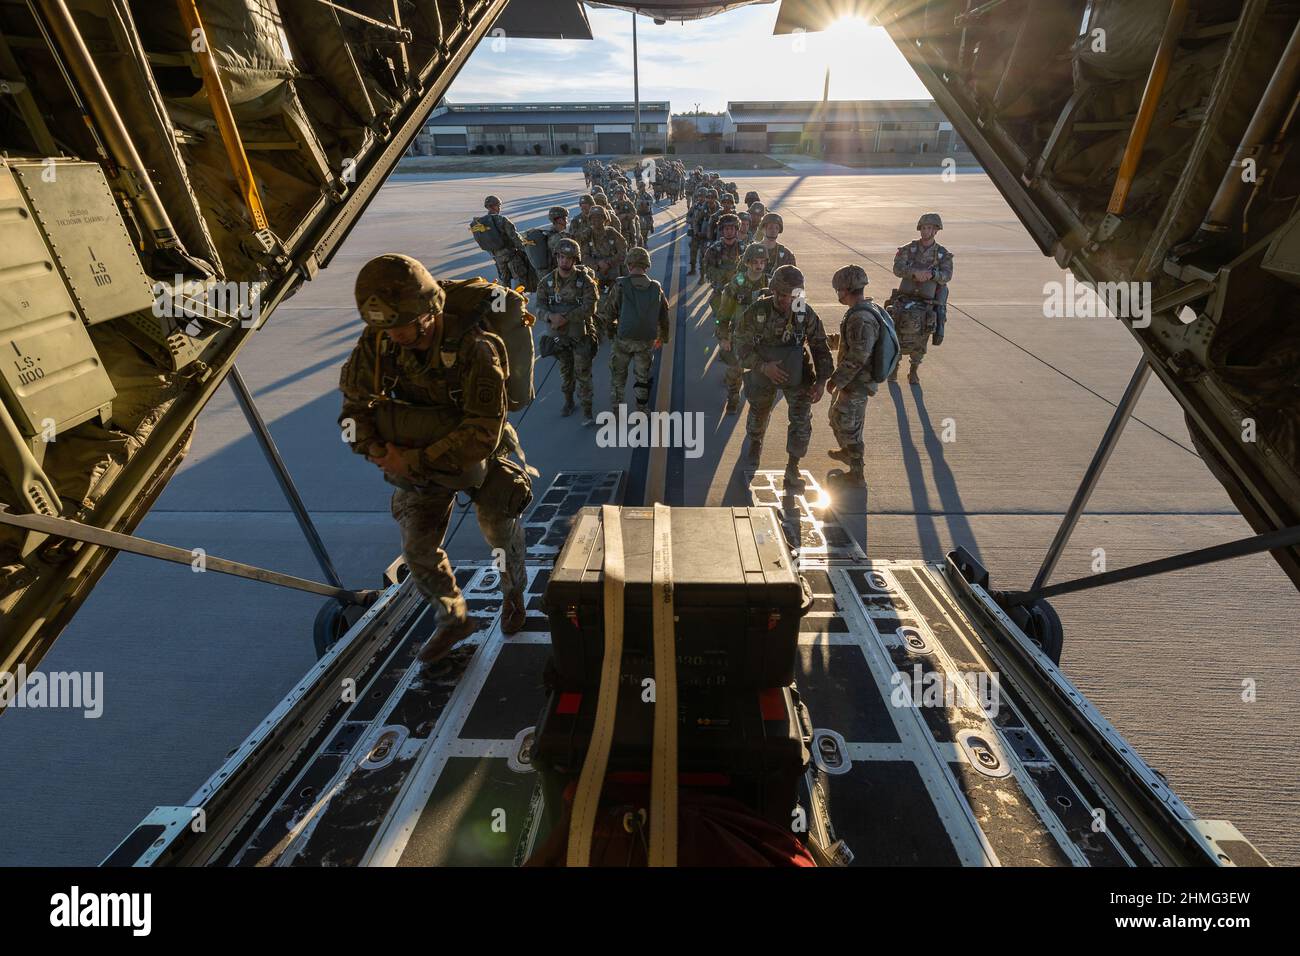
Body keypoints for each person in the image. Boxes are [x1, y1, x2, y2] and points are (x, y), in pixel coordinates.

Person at [339, 255, 531, 663]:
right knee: (417, 548)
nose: (395, 335)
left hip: (474, 451)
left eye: (403, 324)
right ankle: (453, 618)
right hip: (414, 454)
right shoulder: (380, 341)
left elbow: (483, 431)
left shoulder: (476, 349)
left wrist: (413, 462)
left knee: (499, 528)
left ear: (429, 312)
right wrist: (378, 451)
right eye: (387, 327)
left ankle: (513, 593)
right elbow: (353, 412)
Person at [734, 265, 833, 493]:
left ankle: (792, 467)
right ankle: (755, 441)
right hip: (763, 370)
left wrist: (821, 382)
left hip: (795, 371)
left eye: (792, 295)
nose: (786, 300)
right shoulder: (758, 310)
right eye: (781, 294)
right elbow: (740, 342)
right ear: (773, 290)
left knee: (801, 420)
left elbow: (820, 346)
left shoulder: (804, 312)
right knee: (759, 411)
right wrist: (762, 366)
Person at [826, 265, 883, 487]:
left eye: (839, 289)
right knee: (837, 417)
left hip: (858, 382)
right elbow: (853, 344)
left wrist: (836, 379)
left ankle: (856, 474)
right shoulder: (859, 311)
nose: (838, 293)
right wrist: (828, 341)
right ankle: (848, 453)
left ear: (847, 289)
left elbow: (858, 356)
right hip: (853, 380)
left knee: (849, 425)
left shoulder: (861, 318)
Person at [532, 237, 599, 424]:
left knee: (583, 373)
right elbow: (538, 307)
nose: (564, 261)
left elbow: (590, 307)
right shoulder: (546, 282)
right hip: (559, 337)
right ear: (556, 257)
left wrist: (565, 318)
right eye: (561, 257)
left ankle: (587, 410)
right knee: (565, 372)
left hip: (580, 336)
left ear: (575, 260)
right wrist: (550, 316)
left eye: (568, 258)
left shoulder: (585, 281)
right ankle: (568, 401)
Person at [602, 246, 670, 414]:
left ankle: (617, 409)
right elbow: (664, 314)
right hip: (646, 341)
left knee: (618, 375)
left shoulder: (620, 285)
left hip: (623, 340)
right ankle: (642, 408)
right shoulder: (656, 288)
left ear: (629, 265)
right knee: (642, 376)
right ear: (646, 266)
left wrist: (611, 333)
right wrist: (663, 337)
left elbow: (608, 313)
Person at [889, 212, 953, 385]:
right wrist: (914, 273)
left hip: (927, 302)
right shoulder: (908, 249)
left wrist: (933, 275)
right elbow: (897, 268)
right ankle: (894, 366)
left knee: (924, 334)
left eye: (929, 228)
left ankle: (914, 369)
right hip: (905, 298)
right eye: (924, 228)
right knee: (896, 331)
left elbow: (947, 275)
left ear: (936, 231)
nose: (926, 231)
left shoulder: (943, 254)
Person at [715, 243, 769, 414]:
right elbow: (724, 311)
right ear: (747, 262)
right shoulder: (737, 282)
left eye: (762, 262)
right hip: (739, 335)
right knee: (735, 370)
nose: (759, 265)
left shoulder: (769, 282)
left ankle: (758, 407)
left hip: (762, 337)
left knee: (761, 374)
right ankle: (733, 398)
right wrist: (723, 336)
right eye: (755, 262)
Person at [469, 195, 534, 292]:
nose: (499, 208)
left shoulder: (481, 223)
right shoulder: (502, 220)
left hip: (497, 257)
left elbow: (482, 241)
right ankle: (517, 299)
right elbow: (515, 237)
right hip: (511, 255)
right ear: (494, 206)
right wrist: (526, 250)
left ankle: (503, 299)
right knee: (520, 279)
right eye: (498, 205)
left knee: (504, 282)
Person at [757, 212, 797, 279]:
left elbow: (794, 279)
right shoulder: (752, 251)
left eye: (777, 228)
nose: (774, 231)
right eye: (770, 227)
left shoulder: (787, 255)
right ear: (763, 229)